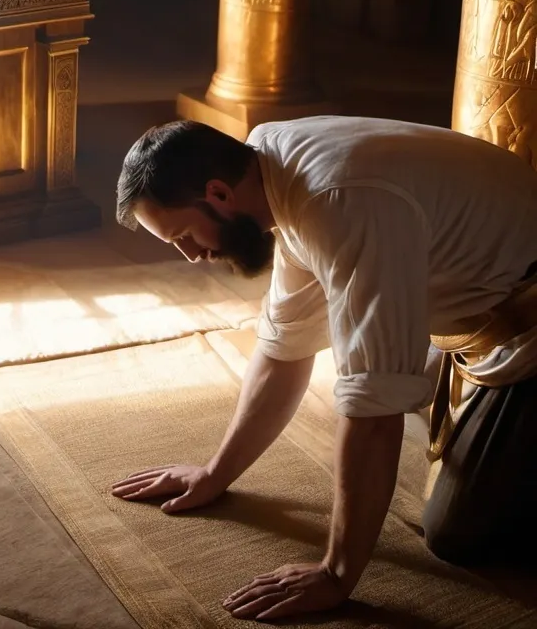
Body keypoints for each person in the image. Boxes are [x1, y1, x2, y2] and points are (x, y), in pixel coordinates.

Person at [111, 116, 537, 621]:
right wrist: (213, 473)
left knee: (456, 532)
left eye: (184, 234)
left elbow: (371, 406)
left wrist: (336, 573)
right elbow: (284, 346)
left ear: (219, 193)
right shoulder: (271, 170)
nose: (193, 257)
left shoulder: (340, 200)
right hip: (472, 317)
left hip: (523, 330)